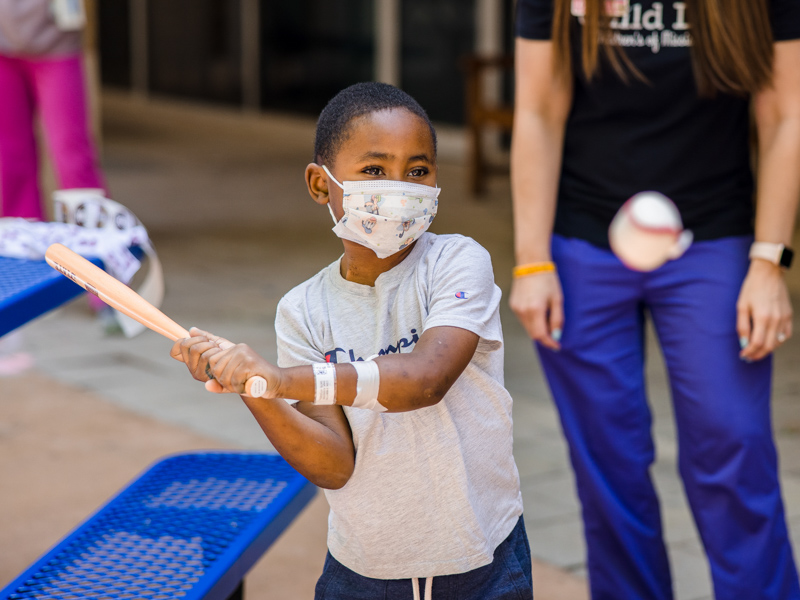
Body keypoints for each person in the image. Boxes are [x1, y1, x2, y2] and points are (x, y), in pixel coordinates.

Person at [172, 82, 533, 600]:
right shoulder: (302, 311)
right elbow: (334, 464)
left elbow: (426, 379)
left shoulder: (458, 261)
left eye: (418, 170)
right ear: (321, 186)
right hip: (361, 573)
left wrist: (284, 378)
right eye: (373, 170)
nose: (400, 187)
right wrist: (256, 388)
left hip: (484, 562)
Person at [510, 0, 800, 598]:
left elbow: (785, 114)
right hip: (584, 243)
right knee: (608, 461)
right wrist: (533, 261)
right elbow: (538, 110)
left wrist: (769, 263)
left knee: (734, 443)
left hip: (713, 238)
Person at [0, 0, 106, 220]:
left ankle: (91, 238)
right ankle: (24, 239)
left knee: (71, 151)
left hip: (57, 44)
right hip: (3, 49)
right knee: (10, 155)